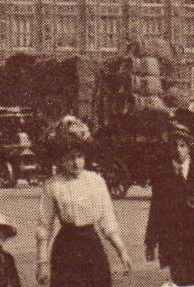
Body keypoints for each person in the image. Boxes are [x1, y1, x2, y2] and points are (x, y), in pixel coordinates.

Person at [36, 118, 132, 287]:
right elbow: (45, 227)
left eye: (79, 157)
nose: (76, 162)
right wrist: (42, 263)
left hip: (91, 246)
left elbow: (108, 221)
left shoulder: (96, 181)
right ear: (61, 159)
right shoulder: (53, 185)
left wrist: (122, 252)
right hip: (65, 248)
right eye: (70, 157)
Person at [143, 123, 194, 287]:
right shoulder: (163, 174)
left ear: (189, 147)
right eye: (175, 146)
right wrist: (150, 242)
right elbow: (156, 209)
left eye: (182, 146)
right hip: (173, 240)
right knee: (179, 280)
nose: (178, 150)